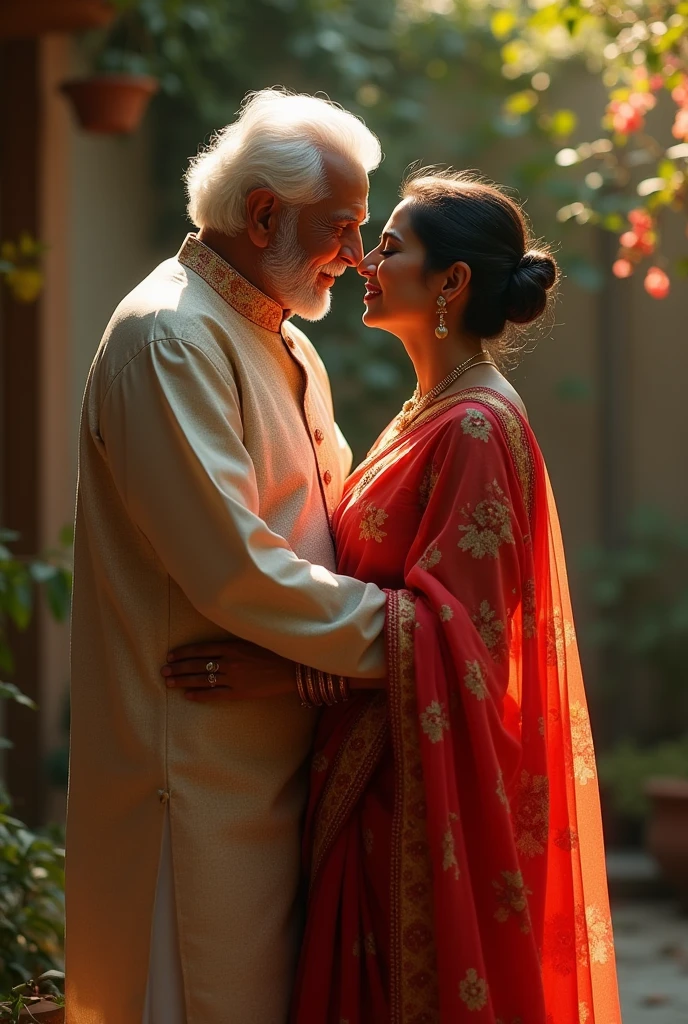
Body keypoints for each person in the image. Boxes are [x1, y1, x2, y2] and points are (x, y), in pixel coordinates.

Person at [167, 171, 622, 1023]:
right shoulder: (426, 414)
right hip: (369, 776)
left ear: (451, 283)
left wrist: (286, 676)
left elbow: (463, 642)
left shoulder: (478, 428)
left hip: (413, 801)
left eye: (390, 246)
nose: (364, 259)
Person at [65, 89, 391, 1024]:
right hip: (192, 780)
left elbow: (329, 530)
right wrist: (407, 642)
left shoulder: (280, 339)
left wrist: (342, 670)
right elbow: (234, 567)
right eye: (341, 229)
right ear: (261, 215)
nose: (356, 257)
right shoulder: (170, 334)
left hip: (275, 768)